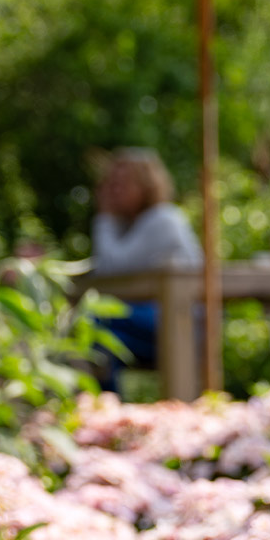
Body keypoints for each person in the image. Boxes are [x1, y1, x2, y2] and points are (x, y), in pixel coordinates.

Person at [90, 147, 202, 391]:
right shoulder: (130, 224)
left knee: (91, 324)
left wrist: (104, 217)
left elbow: (111, 270)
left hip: (179, 324)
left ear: (146, 185)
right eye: (110, 183)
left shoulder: (162, 219)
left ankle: (101, 410)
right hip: (150, 320)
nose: (112, 190)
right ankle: (103, 414)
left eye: (121, 183)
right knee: (98, 340)